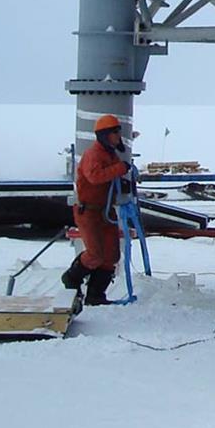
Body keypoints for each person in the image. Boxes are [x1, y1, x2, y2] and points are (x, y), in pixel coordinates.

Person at [62, 114, 133, 306]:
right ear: (104, 135)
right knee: (95, 254)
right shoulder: (93, 154)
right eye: (115, 133)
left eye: (118, 132)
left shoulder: (111, 154)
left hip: (105, 211)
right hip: (89, 212)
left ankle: (95, 295)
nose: (118, 136)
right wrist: (120, 169)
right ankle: (71, 279)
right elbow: (94, 176)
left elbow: (111, 178)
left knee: (111, 256)